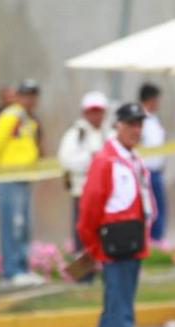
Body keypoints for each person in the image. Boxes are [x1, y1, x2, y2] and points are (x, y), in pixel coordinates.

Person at [77, 103, 164, 327]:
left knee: (114, 307)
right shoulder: (107, 160)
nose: (135, 130)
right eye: (130, 124)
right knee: (121, 309)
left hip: (129, 241)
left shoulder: (129, 157)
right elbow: (89, 208)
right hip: (115, 244)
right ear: (118, 125)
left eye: (139, 124)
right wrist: (93, 246)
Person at [0, 79, 44, 286]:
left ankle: (22, 267)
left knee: (24, 225)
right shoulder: (11, 116)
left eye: (33, 95)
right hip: (9, 176)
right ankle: (11, 270)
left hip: (23, 177)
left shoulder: (27, 119)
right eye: (26, 95)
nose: (30, 100)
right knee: (12, 224)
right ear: (18, 96)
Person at [58, 91, 109, 257]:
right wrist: (93, 160)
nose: (95, 115)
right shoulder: (76, 134)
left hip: (105, 194)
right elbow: (66, 160)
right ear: (85, 113)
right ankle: (83, 274)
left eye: (98, 111)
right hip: (82, 192)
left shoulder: (109, 133)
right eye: (92, 111)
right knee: (83, 233)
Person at [139, 83, 168, 242]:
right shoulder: (140, 120)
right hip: (146, 172)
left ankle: (158, 242)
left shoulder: (154, 119)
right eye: (157, 99)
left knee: (159, 210)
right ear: (150, 99)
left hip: (157, 171)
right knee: (151, 211)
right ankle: (151, 242)